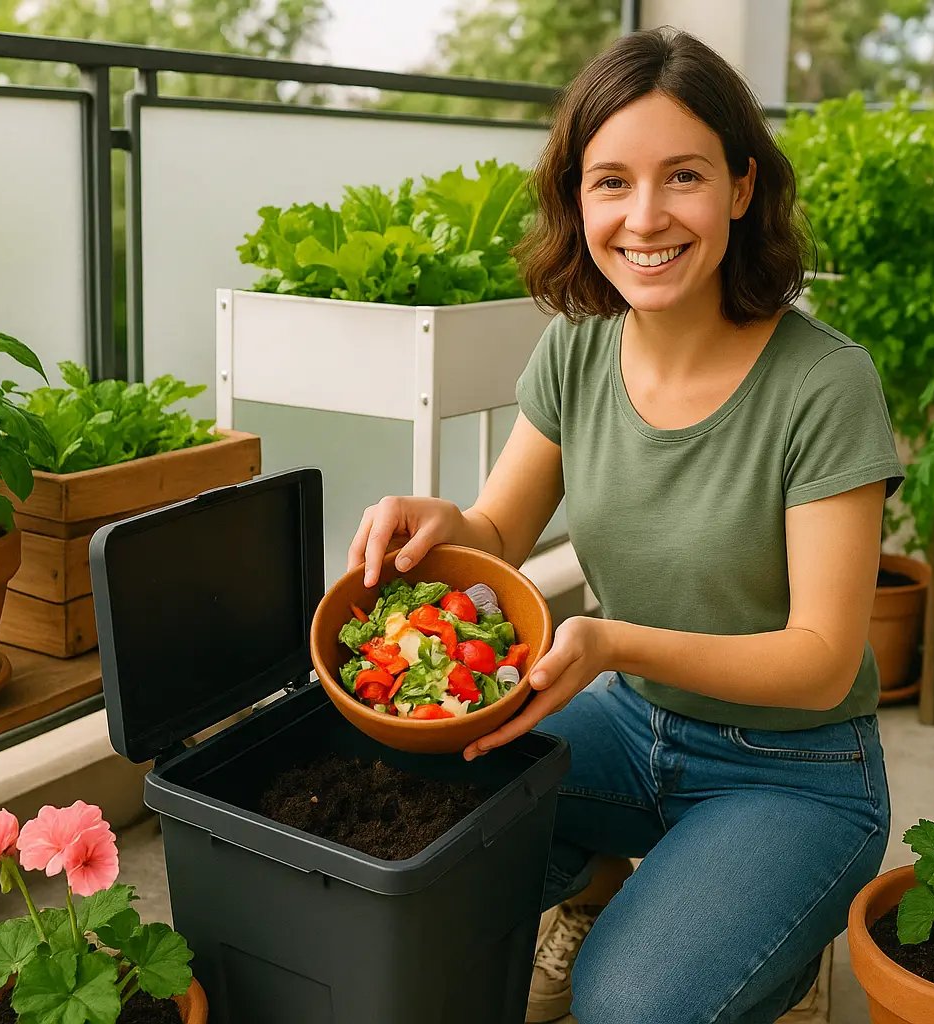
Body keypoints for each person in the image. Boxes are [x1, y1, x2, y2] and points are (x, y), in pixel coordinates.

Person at [347, 27, 903, 1024]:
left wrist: (610, 643)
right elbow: (496, 533)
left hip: (795, 768)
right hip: (632, 726)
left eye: (683, 175)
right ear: (579, 199)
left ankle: (776, 956)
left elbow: (823, 661)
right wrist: (439, 520)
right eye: (612, 182)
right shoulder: (578, 348)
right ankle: (605, 883)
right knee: (415, 801)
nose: (645, 217)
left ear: (740, 187)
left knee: (628, 1007)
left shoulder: (825, 384)